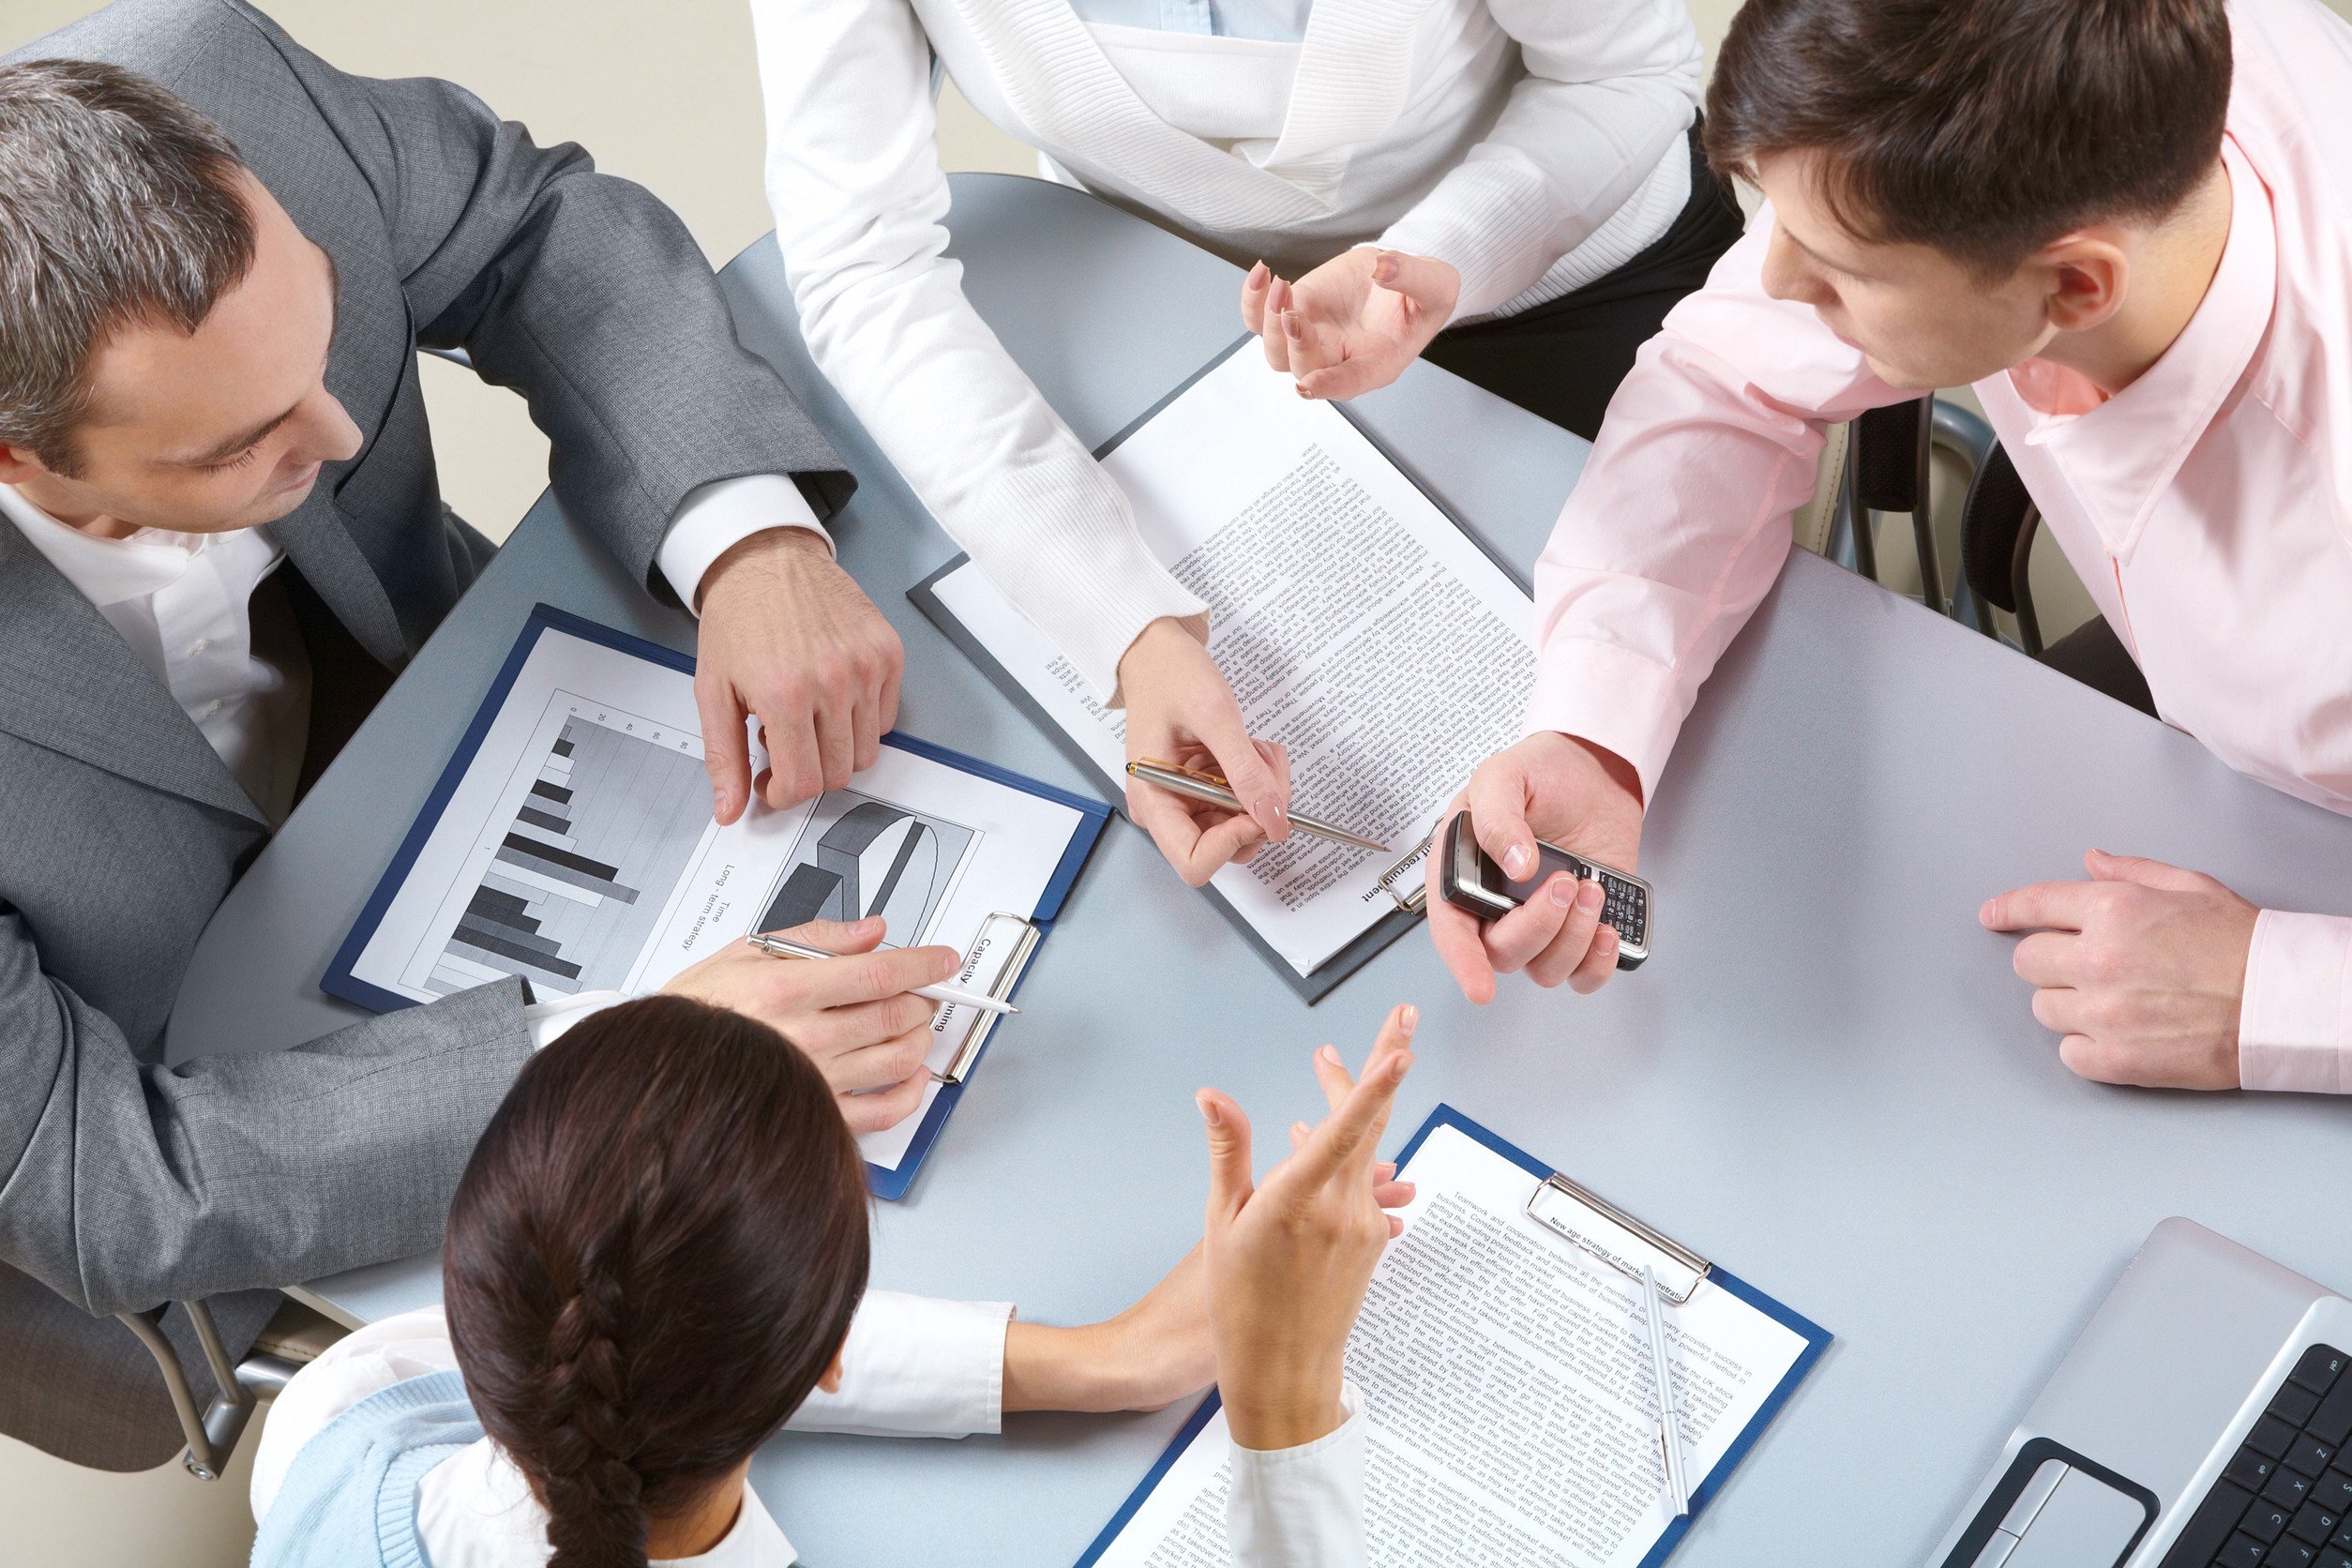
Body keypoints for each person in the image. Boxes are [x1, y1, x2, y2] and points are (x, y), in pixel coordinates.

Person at [0, 0, 925, 1471]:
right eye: (242, 446)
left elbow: (531, 230)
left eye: (320, 334)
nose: (338, 441)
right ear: (22, 457)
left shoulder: (225, 79)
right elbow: (99, 1184)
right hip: (169, 1085)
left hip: (440, 752)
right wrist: (620, 1058)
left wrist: (750, 541)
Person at [1433, 0, 2352, 1098]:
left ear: (2074, 286)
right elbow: (1727, 375)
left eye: (1840, 270)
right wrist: (1597, 731)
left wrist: (2273, 994)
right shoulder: (2062, 91)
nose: (1776, 281)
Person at [746, 0, 1744, 888]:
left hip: (1566, 278)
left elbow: (1628, 72)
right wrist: (1128, 628)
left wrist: (1439, 254)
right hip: (1189, 320)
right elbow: (858, 262)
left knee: (1663, 777)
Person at [247, 993, 1418, 1565]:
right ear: (831, 1354)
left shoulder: (344, 1434)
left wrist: (1114, 1360)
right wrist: (1286, 1403)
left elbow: (652, 1333)